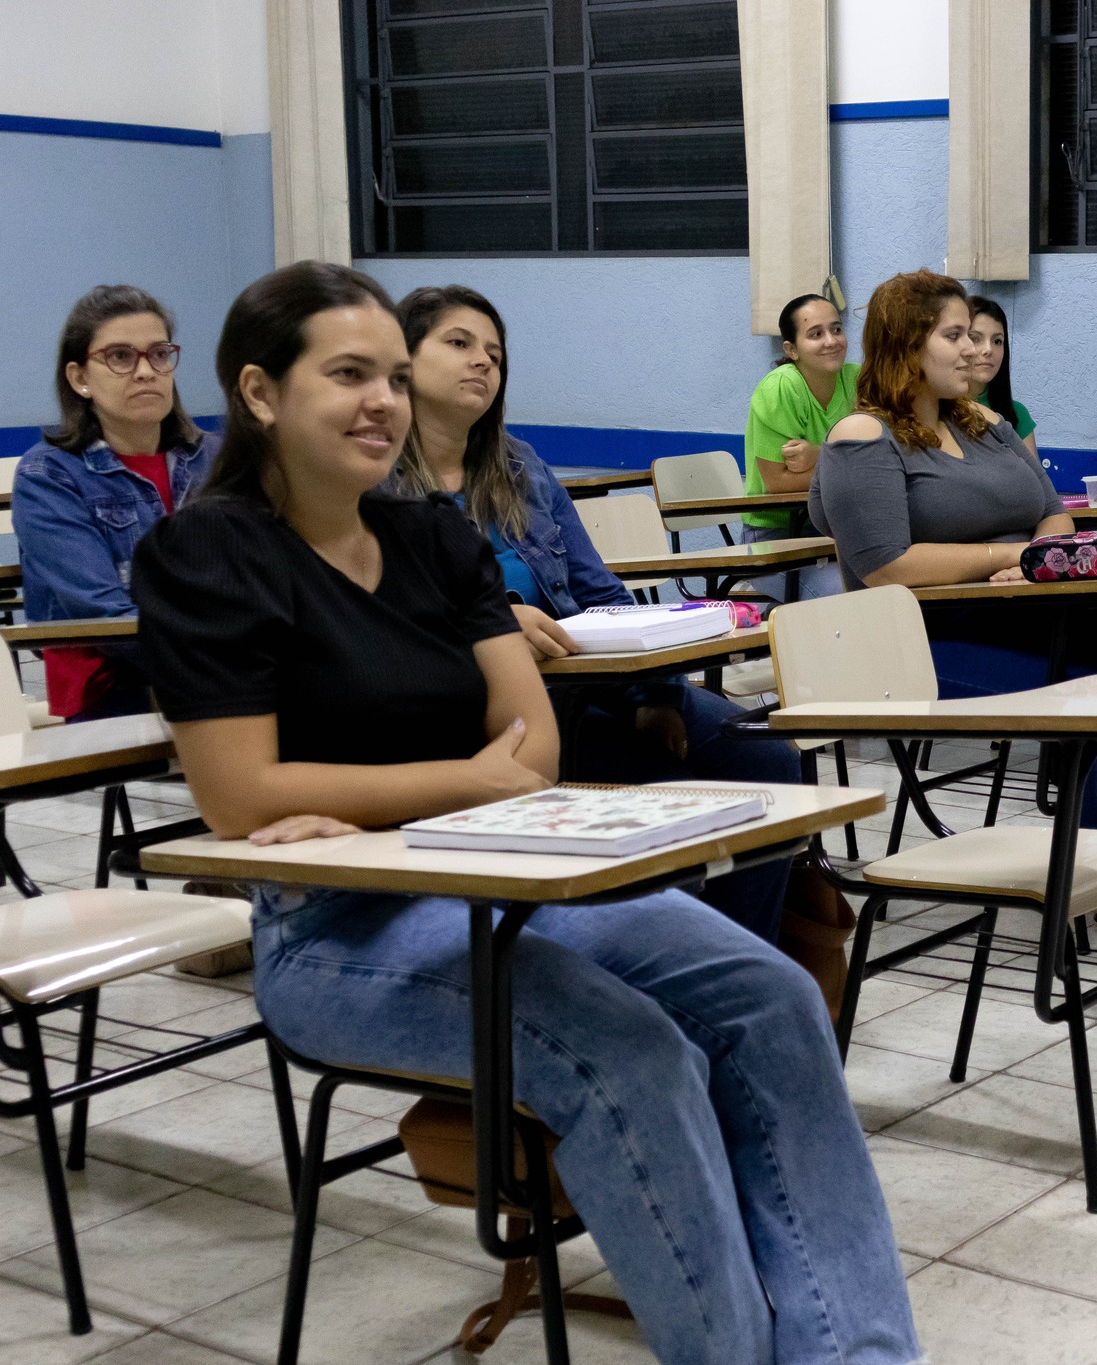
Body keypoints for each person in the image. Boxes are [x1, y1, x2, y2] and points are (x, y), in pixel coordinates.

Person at [129, 262, 919, 1365]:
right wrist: (459, 783)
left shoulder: (435, 542)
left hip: (510, 881)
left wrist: (367, 798)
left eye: (394, 378)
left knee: (770, 993)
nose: (383, 403)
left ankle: (857, 1355)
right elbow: (242, 792)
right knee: (626, 1053)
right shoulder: (202, 555)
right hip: (335, 932)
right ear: (260, 394)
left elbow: (534, 749)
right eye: (347, 374)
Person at [810, 268, 1097, 949]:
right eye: (955, 336)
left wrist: (1040, 559)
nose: (976, 350)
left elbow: (1054, 516)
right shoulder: (863, 436)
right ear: (906, 344)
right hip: (923, 640)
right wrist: (1008, 559)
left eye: (976, 336)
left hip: (1033, 611)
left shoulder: (984, 423)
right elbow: (889, 564)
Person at [385, 284, 799, 938]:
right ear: (401, 359)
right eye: (459, 344)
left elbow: (599, 591)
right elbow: (378, 617)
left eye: (495, 353)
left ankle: (747, 957)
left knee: (768, 759)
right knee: (671, 797)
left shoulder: (517, 466)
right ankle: (675, 967)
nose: (483, 364)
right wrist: (490, 623)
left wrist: (655, 691)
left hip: (592, 685)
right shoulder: (374, 479)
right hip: (495, 710)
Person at [14, 285, 218, 719]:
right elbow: (103, 614)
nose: (146, 371)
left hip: (230, 664)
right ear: (80, 378)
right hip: (115, 681)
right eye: (121, 357)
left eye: (159, 354)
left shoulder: (217, 459)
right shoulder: (48, 476)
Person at [740, 293, 858, 542]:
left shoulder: (857, 379)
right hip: (777, 535)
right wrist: (851, 466)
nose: (831, 341)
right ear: (791, 349)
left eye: (836, 329)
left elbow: (887, 454)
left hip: (840, 528)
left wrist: (820, 454)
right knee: (856, 583)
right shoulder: (781, 386)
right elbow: (778, 482)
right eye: (816, 334)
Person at [966, 296, 1037, 456]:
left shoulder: (1017, 414)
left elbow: (1033, 480)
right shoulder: (936, 409)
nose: (988, 350)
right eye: (975, 338)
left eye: (997, 341)